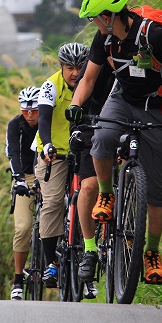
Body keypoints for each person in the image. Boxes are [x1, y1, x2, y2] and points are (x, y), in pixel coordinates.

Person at [66, 0, 162, 285]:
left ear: (109, 15)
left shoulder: (151, 35)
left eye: (95, 17)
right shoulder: (103, 40)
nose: (94, 23)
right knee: (101, 138)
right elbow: (89, 79)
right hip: (122, 100)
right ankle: (107, 194)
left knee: (157, 189)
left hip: (156, 107)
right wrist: (76, 104)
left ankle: (152, 253)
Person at [35, 42, 89, 288]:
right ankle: (51, 264)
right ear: (61, 67)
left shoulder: (91, 83)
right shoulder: (50, 86)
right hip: (53, 154)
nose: (75, 73)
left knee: (90, 195)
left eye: (80, 68)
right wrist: (46, 144)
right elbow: (43, 119)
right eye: (70, 68)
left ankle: (91, 253)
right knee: (54, 202)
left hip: (81, 150)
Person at [69, 61, 115, 286]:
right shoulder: (94, 62)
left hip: (125, 126)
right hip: (93, 127)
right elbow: (79, 99)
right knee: (88, 186)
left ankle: (129, 239)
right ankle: (89, 249)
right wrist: (75, 130)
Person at [5, 86, 40, 300]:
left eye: (34, 110)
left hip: (49, 176)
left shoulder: (49, 122)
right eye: (25, 110)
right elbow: (13, 152)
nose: (29, 115)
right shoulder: (15, 125)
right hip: (24, 178)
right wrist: (19, 179)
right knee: (23, 227)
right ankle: (18, 280)